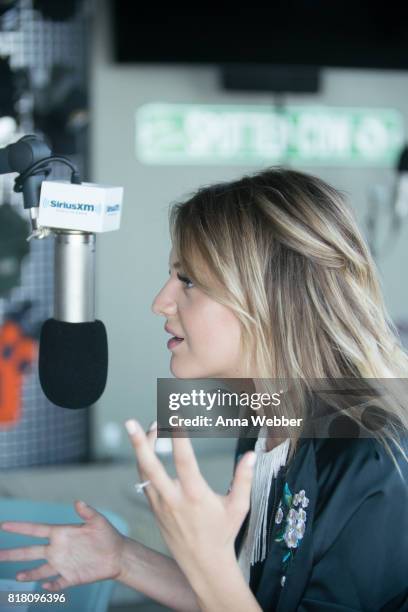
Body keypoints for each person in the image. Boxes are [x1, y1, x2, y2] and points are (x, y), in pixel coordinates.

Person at [0, 167, 407, 611]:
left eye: (187, 281)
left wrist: (208, 557)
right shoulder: (266, 423)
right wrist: (124, 558)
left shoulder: (372, 460)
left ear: (269, 298)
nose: (161, 301)